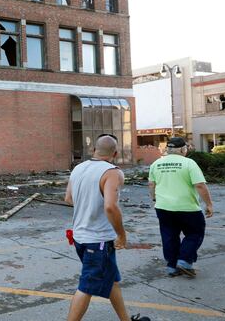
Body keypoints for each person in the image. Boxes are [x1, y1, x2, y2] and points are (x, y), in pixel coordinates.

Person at [65, 135, 150, 321]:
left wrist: (87, 206)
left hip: (80, 237)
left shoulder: (78, 168)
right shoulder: (112, 172)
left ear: (93, 150)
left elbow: (68, 199)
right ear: (116, 153)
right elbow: (111, 207)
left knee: (111, 280)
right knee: (87, 287)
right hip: (97, 241)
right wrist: (122, 234)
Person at [148, 137, 214, 278]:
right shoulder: (189, 163)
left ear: (168, 149)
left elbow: (151, 184)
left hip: (163, 207)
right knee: (194, 233)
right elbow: (200, 185)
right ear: (183, 149)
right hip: (187, 208)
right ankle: (184, 261)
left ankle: (172, 267)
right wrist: (209, 204)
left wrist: (154, 198)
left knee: (169, 236)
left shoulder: (156, 163)